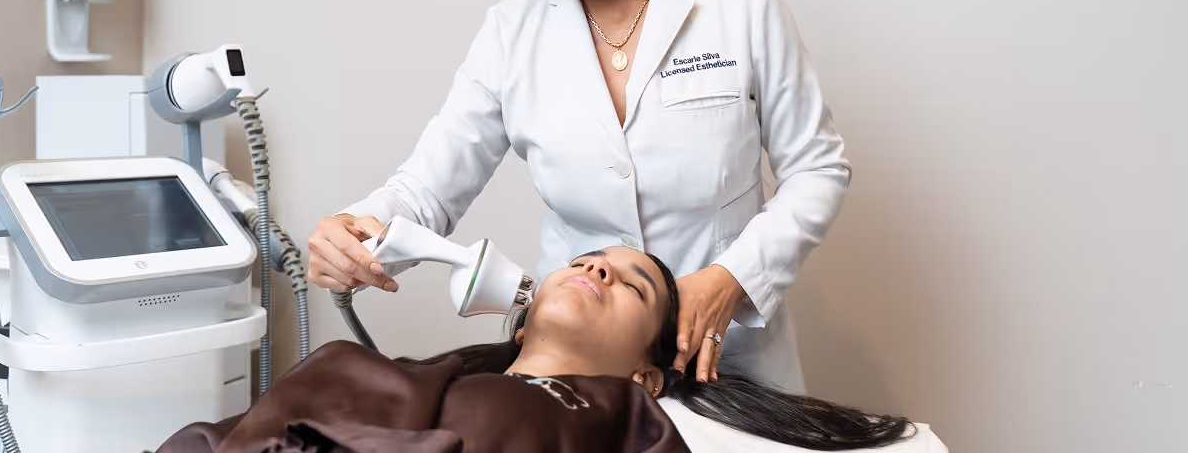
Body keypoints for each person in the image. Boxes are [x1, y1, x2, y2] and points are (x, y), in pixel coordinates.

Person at [307, 0, 850, 391]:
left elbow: (817, 170)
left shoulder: (741, 3)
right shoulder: (512, 34)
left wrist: (733, 278)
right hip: (581, 372)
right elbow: (427, 189)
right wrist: (353, 231)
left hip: (732, 358)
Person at [158, 247, 910, 452]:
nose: (596, 267)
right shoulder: (411, 373)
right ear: (519, 324)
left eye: (630, 284)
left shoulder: (622, 416)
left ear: (648, 376)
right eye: (585, 260)